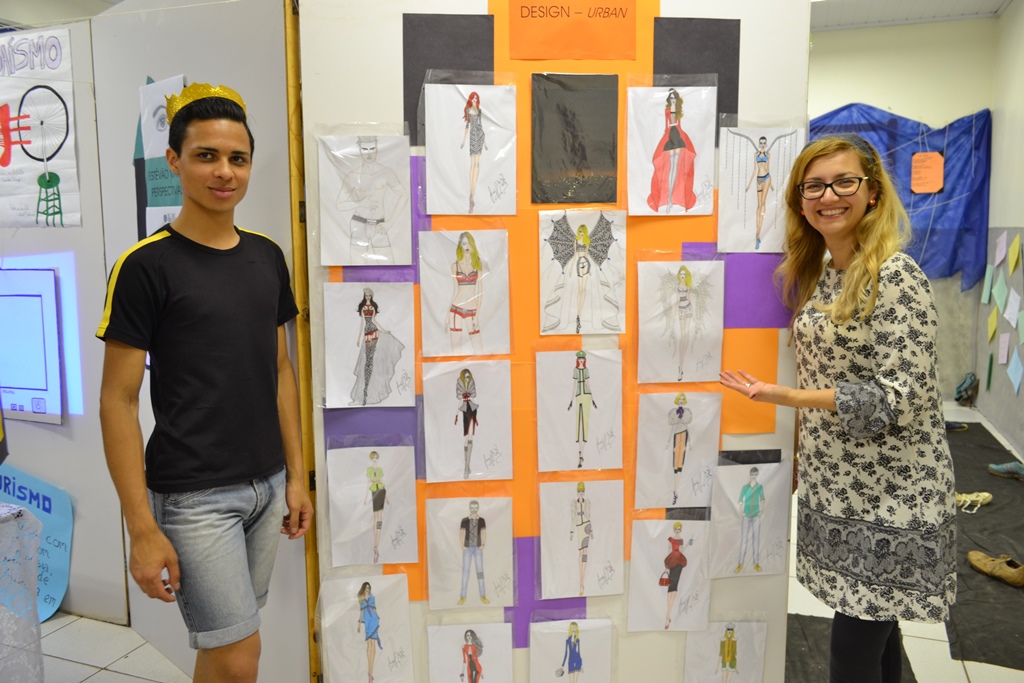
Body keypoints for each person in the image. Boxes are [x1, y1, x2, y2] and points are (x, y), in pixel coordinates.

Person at [720, 133, 956, 683]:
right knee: (879, 634)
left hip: (892, 494)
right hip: (838, 485)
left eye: (844, 182)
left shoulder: (895, 276)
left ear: (872, 192)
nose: (829, 196)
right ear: (801, 201)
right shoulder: (827, 272)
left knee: (851, 655)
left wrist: (785, 399)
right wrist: (799, 452)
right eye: (815, 186)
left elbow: (900, 396)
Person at [97, 83, 312, 683]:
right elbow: (117, 400)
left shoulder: (267, 256)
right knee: (241, 657)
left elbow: (280, 370)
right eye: (206, 156)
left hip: (267, 486)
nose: (224, 172)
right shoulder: (144, 266)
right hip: (194, 496)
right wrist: (142, 528)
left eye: (237, 158)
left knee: (223, 652)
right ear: (174, 161)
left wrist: (295, 477)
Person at [334, 135, 407, 264]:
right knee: (357, 268)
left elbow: (404, 195)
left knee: (389, 266)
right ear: (360, 150)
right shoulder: (353, 175)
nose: (369, 154)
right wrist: (360, 203)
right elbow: (340, 204)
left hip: (379, 225)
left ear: (377, 149)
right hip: (359, 224)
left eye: (372, 149)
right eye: (365, 149)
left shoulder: (386, 172)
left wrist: (390, 222)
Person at [351, 287, 405, 406]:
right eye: (366, 296)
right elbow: (362, 323)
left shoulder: (372, 308)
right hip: (367, 332)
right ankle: (364, 392)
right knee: (367, 360)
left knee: (370, 359)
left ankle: (366, 392)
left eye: (369, 296)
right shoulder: (364, 308)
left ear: (371, 296)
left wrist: (384, 331)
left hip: (374, 332)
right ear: (364, 296)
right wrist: (359, 337)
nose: (368, 298)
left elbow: (374, 321)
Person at [647, 88, 697, 214]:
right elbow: (668, 125)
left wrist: (673, 107)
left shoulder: (675, 109)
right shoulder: (670, 109)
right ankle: (669, 199)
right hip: (670, 136)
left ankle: (670, 199)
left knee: (674, 168)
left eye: (674, 98)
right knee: (671, 169)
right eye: (671, 98)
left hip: (676, 136)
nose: (673, 100)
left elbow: (674, 123)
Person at [447, 231, 484, 354]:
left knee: (479, 350)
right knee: (456, 351)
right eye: (464, 244)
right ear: (460, 246)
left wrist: (477, 316)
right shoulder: (455, 266)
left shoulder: (477, 265)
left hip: (472, 310)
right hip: (455, 310)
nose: (467, 247)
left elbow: (480, 292)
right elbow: (455, 290)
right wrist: (447, 315)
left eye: (469, 243)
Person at [568, 351, 598, 468]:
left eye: (583, 359)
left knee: (585, 425)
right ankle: (579, 453)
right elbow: (574, 385)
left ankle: (581, 454)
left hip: (586, 396)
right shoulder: (575, 370)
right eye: (580, 359)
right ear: (577, 360)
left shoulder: (586, 370)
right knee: (578, 424)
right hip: (578, 396)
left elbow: (588, 383)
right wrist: (571, 400)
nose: (581, 360)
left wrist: (593, 398)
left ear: (584, 360)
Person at [459, 92, 487, 213]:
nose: (475, 100)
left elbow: (481, 126)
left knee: (477, 164)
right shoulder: (468, 111)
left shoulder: (479, 111)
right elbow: (467, 127)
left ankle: (473, 194)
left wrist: (485, 142)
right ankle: (471, 193)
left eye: (476, 99)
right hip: (472, 138)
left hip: (479, 137)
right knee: (472, 164)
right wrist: (463, 141)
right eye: (473, 98)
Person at [735, 467, 765, 573]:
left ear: (757, 475)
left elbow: (762, 500)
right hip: (746, 517)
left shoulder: (760, 487)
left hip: (756, 516)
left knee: (756, 540)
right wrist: (741, 512)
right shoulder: (745, 487)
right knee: (744, 540)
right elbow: (740, 501)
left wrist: (761, 511)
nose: (753, 476)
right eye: (752, 474)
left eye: (755, 474)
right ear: (750, 474)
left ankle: (756, 563)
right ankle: (740, 564)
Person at [458, 500, 489, 605]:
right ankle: (463, 597)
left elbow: (484, 533)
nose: (474, 509)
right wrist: (462, 546)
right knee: (465, 572)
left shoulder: (482, 520)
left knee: (480, 572)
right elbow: (461, 533)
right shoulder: (464, 520)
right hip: (467, 549)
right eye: (472, 507)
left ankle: (483, 596)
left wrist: (482, 545)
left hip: (478, 549)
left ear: (478, 508)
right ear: (470, 508)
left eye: (476, 507)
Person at [663, 521, 691, 629]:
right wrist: (666, 566)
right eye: (676, 529)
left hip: (679, 561)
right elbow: (668, 550)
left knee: (674, 586)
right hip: (672, 561)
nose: (677, 531)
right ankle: (668, 615)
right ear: (674, 529)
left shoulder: (681, 540)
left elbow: (682, 550)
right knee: (671, 586)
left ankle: (668, 615)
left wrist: (687, 544)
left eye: (679, 529)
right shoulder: (671, 539)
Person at [745, 136, 772, 250]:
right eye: (761, 142)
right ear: (759, 143)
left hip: (767, 178)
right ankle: (757, 232)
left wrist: (771, 184)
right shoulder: (755, 154)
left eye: (764, 143)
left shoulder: (768, 154)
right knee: (759, 205)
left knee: (763, 203)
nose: (762, 144)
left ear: (766, 144)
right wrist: (749, 184)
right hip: (758, 179)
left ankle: (759, 233)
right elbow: (754, 169)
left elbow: (768, 168)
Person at [569, 482, 594, 596]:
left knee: (585, 552)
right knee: (580, 553)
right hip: (579, 527)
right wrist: (571, 531)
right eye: (579, 491)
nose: (581, 493)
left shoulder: (587, 502)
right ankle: (581, 581)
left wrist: (591, 531)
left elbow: (588, 516)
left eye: (582, 491)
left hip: (586, 526)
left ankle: (581, 582)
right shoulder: (574, 503)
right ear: (577, 492)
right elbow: (573, 518)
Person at [668, 392, 692, 506]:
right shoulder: (673, 412)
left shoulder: (687, 412)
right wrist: (668, 440)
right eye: (680, 399)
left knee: (681, 454)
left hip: (684, 433)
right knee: (676, 455)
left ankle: (677, 488)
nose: (681, 401)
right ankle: (675, 488)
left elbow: (688, 423)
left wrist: (691, 441)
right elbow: (671, 424)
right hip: (676, 433)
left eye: (683, 399)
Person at [364, 451, 388, 563]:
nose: (374, 459)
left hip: (381, 491)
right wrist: (365, 497)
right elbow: (368, 483)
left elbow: (382, 482)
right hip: (374, 491)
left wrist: (387, 497)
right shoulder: (369, 470)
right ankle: (375, 545)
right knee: (375, 518)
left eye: (376, 457)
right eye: (373, 457)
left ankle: (377, 544)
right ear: (371, 459)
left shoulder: (380, 469)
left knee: (380, 518)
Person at [455, 368, 479, 479]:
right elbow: (460, 401)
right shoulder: (460, 388)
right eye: (466, 377)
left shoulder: (471, 387)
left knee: (470, 437)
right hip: (465, 412)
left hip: (472, 411)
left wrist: (476, 417)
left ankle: (467, 467)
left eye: (468, 377)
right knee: (466, 438)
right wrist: (456, 415)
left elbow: (473, 400)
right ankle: (466, 466)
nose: (467, 379)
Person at [357, 582, 381, 683]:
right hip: (368, 622)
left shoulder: (372, 598)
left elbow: (374, 609)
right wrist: (359, 624)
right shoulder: (362, 600)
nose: (367, 589)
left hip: (374, 620)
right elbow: (362, 612)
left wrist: (378, 618)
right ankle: (369, 671)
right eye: (366, 588)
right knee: (369, 644)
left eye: (368, 588)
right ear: (363, 588)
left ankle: (371, 673)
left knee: (373, 644)